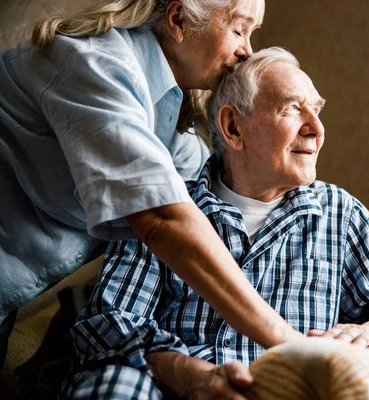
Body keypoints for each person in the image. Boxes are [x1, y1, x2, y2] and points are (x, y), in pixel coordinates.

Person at [62, 47, 369, 399]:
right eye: (292, 109)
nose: (316, 128)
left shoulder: (339, 213)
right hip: (171, 388)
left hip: (279, 390)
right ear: (233, 128)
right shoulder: (164, 205)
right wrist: (188, 374)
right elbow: (109, 323)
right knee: (115, 384)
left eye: (317, 110)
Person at [0, 0, 307, 370]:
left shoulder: (166, 110)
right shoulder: (93, 64)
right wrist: (290, 342)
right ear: (178, 20)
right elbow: (163, 217)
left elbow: (215, 188)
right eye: (238, 29)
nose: (248, 51)